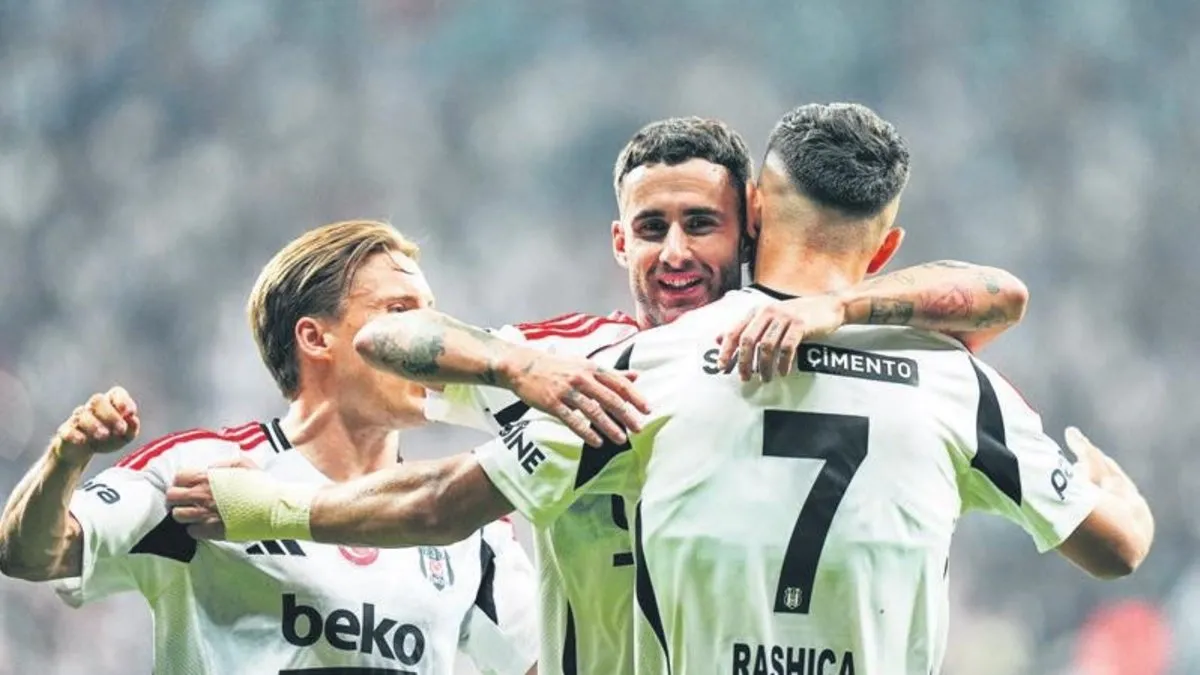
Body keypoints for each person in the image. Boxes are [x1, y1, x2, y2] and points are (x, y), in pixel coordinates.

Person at [167, 115, 1039, 675]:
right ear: (619, 241)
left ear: (752, 227)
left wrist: (839, 305)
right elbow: (385, 341)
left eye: (701, 224)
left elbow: (997, 293)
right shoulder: (569, 358)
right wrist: (518, 370)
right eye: (651, 228)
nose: (675, 252)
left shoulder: (810, 352)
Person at [0, 221, 554, 675]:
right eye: (399, 311)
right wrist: (66, 458)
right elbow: (29, 554)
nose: (429, 336)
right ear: (315, 338)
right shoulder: (199, 474)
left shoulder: (473, 530)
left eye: (431, 313)